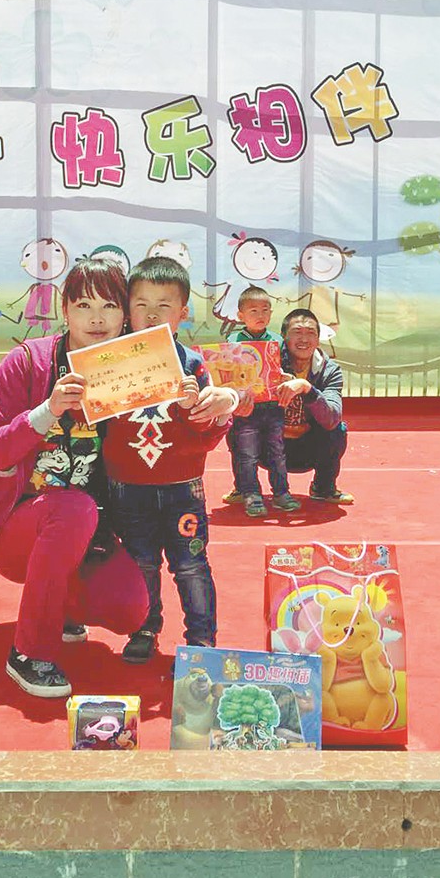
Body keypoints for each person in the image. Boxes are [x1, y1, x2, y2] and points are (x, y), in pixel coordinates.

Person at [0, 257, 148, 699]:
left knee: (130, 609)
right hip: (13, 527)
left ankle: (63, 605)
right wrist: (47, 411)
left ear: (125, 315)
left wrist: (216, 413)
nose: (97, 318)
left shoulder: (133, 370)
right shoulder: (28, 361)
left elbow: (171, 444)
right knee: (72, 508)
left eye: (109, 306)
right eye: (83, 305)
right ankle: (28, 653)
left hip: (87, 532)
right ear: (64, 310)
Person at [104, 256, 237, 665]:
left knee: (191, 565)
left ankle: (202, 640)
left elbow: (206, 435)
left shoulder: (194, 365)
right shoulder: (109, 364)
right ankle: (144, 628)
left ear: (183, 312)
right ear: (127, 309)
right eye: (141, 304)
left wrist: (194, 409)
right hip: (128, 488)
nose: (151, 315)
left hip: (183, 489)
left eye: (164, 306)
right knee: (140, 563)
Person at [224, 307, 352, 505]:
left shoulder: (329, 370)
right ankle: (245, 488)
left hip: (307, 447)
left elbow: (331, 418)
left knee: (338, 430)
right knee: (237, 426)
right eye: (297, 332)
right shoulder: (264, 363)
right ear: (283, 337)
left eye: (311, 333)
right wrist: (240, 405)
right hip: (267, 447)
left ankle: (324, 488)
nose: (304, 339)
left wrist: (307, 389)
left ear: (318, 340)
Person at [226, 286, 300, 517]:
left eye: (265, 310)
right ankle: (251, 494)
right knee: (247, 454)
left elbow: (286, 369)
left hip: (273, 407)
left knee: (277, 452)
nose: (260, 315)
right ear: (240, 315)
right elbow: (228, 374)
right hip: (246, 409)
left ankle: (281, 493)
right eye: (254, 310)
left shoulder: (277, 341)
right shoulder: (233, 341)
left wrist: (287, 377)